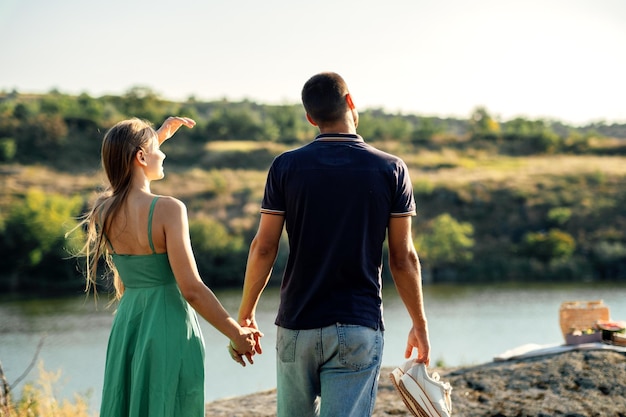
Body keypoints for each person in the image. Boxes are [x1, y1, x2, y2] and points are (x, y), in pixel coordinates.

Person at [235, 72, 431, 417]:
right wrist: (419, 324)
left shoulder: (286, 166)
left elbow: (263, 248)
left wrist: (246, 314)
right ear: (351, 102)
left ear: (310, 118)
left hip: (297, 324)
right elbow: (403, 259)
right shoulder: (392, 169)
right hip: (358, 325)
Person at [78, 116, 261, 417]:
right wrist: (236, 333)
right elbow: (192, 290)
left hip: (130, 324)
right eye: (157, 149)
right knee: (170, 403)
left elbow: (123, 181)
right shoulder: (169, 209)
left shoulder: (103, 210)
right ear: (139, 156)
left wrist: (154, 139)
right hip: (168, 324)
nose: (163, 154)